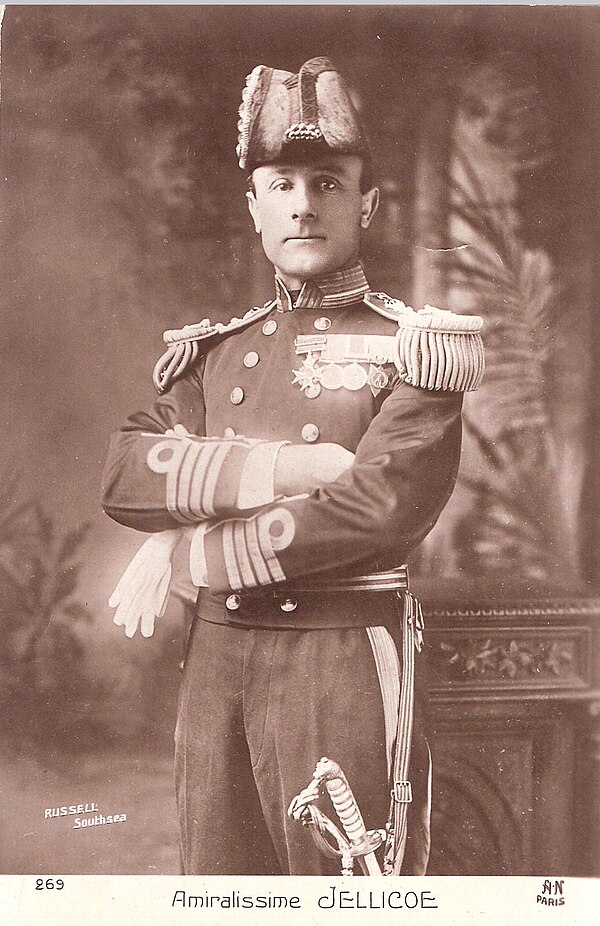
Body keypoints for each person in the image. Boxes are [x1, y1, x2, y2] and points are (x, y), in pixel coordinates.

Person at [101, 56, 484, 876]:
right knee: (218, 881)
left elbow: (377, 508)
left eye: (328, 183)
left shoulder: (415, 349)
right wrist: (288, 464)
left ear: (368, 203)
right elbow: (129, 472)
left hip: (337, 658)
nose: (303, 204)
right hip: (218, 664)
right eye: (281, 184)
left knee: (345, 890)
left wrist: (185, 545)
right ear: (253, 207)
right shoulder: (213, 352)